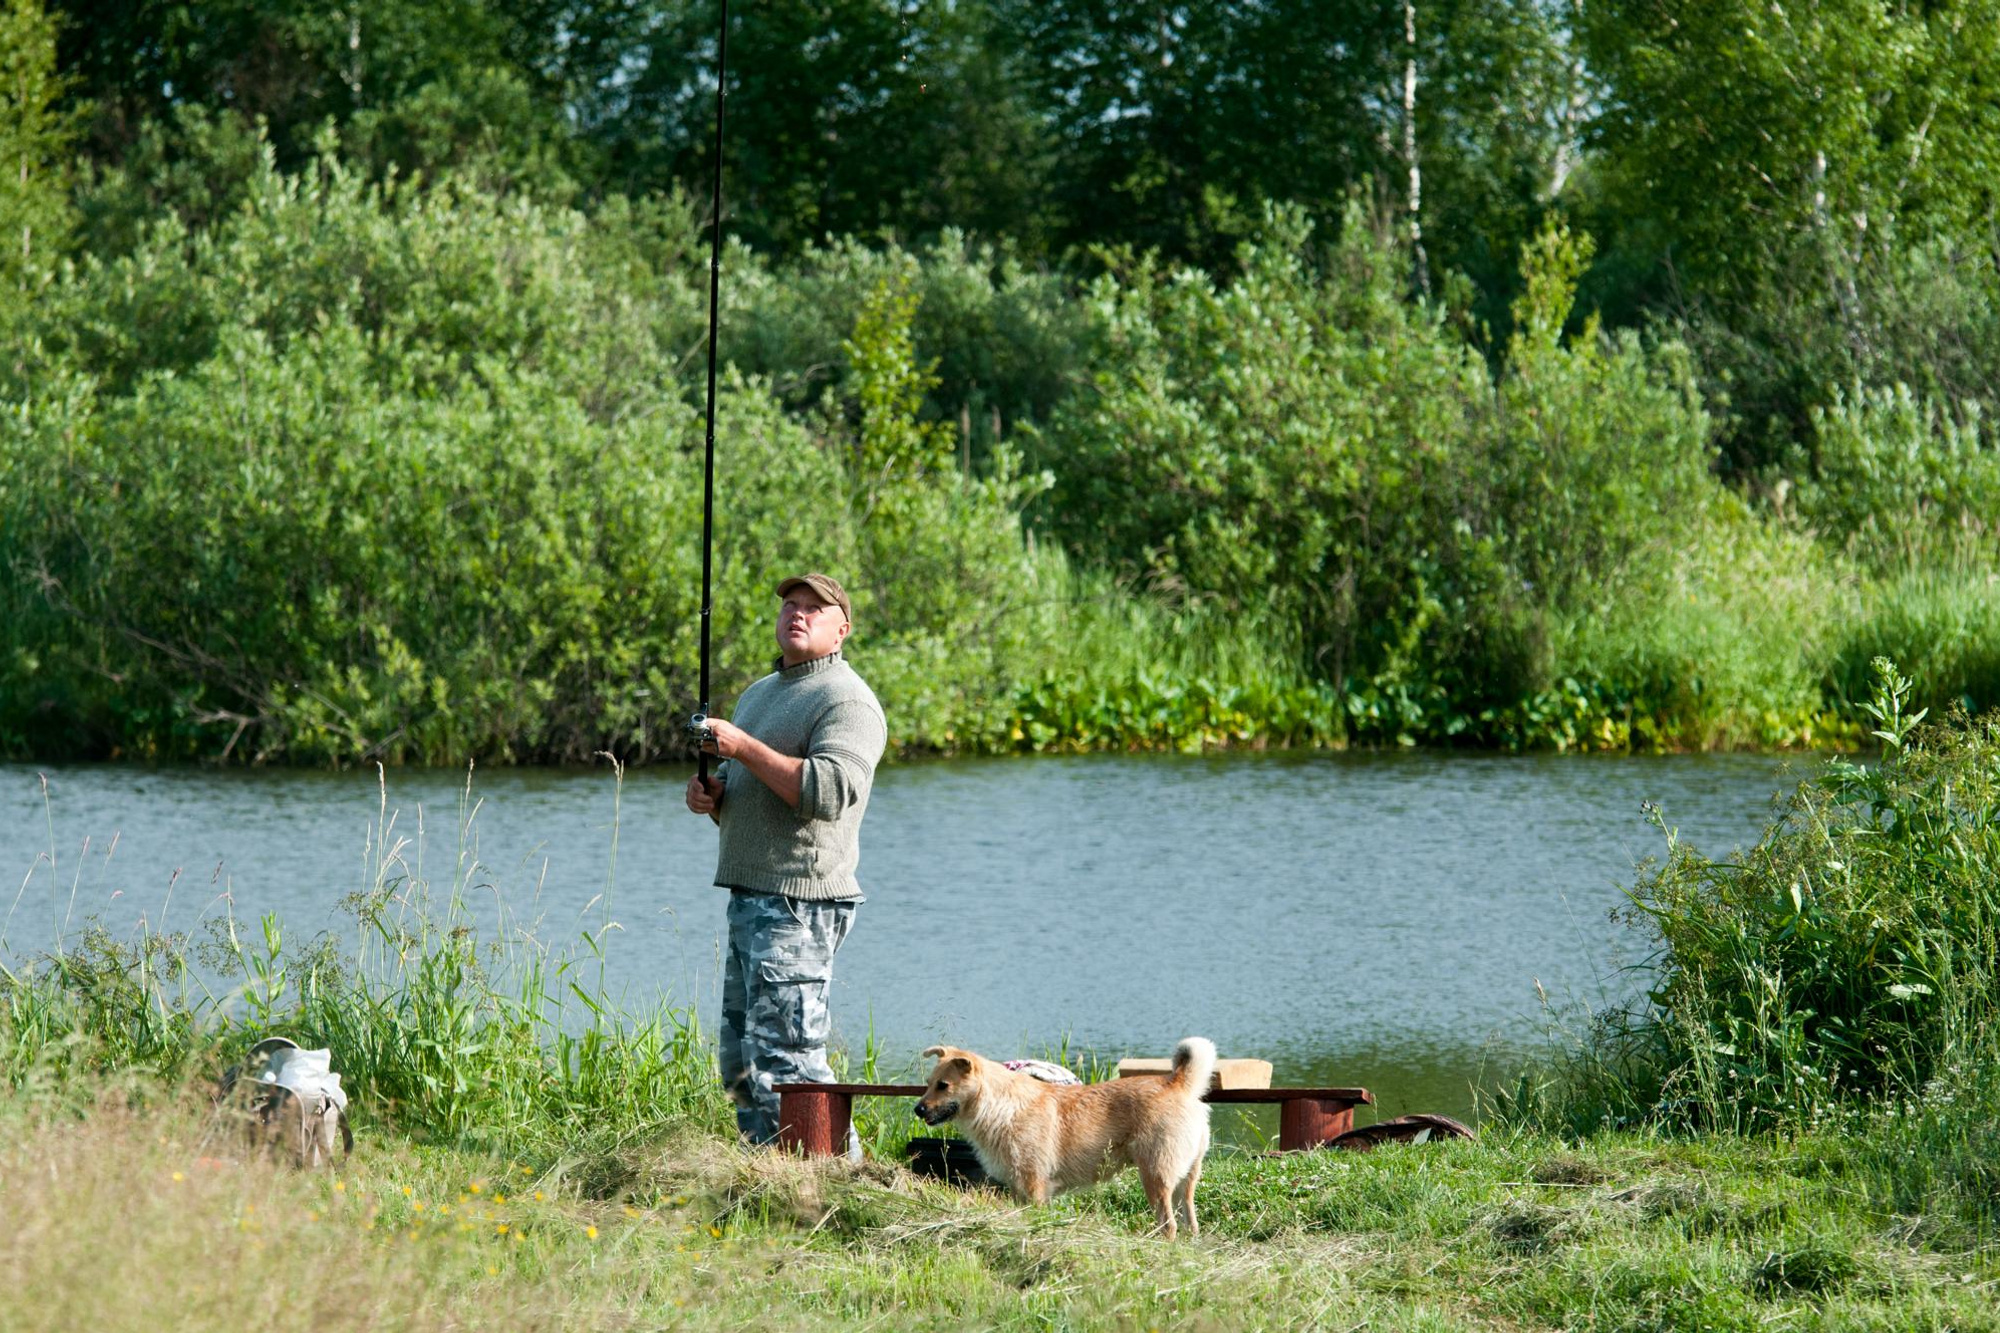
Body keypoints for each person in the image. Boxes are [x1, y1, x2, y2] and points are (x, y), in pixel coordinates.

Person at [684, 572, 887, 1147]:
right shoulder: (759, 694)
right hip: (752, 898)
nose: (797, 615)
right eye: (790, 606)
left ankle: (832, 1179)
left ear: (841, 629)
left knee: (789, 1064)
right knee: (743, 1065)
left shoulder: (848, 699)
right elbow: (744, 788)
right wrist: (715, 796)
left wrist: (742, 746)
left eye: (814, 609)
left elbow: (828, 792)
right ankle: (766, 1177)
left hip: (801, 902)